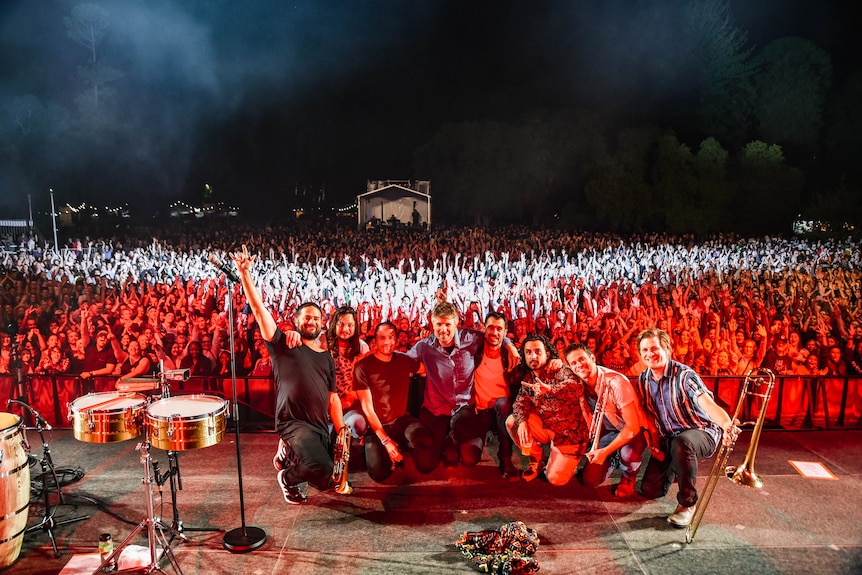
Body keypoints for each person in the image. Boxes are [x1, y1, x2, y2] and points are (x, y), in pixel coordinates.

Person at [231, 245, 345, 505]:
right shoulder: (284, 343)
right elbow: (259, 312)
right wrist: (245, 275)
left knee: (326, 479)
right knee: (322, 467)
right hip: (292, 422)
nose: (311, 321)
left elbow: (333, 397)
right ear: (296, 322)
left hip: (318, 426)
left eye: (316, 318)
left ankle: (288, 453)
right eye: (306, 318)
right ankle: (287, 478)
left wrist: (342, 432)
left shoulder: (326, 357)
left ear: (322, 323)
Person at [633, 328, 739, 527]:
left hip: (700, 432)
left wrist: (726, 424)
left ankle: (687, 504)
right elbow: (647, 415)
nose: (650, 354)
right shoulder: (643, 380)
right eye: (645, 350)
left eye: (654, 348)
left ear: (666, 349)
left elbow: (707, 404)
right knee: (650, 490)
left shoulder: (684, 375)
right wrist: (654, 443)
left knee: (682, 443)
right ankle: (678, 466)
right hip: (669, 439)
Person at [406, 302, 518, 470]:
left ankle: (451, 444)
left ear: (456, 323)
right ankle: (440, 443)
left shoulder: (470, 338)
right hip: (435, 409)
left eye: (448, 325)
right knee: (425, 465)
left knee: (469, 458)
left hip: (463, 408)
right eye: (439, 325)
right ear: (432, 324)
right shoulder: (424, 346)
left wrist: (510, 346)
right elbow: (402, 361)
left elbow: (494, 334)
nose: (443, 330)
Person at [353, 322, 435, 482]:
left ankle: (400, 449)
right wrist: (385, 441)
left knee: (425, 439)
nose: (387, 342)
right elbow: (368, 409)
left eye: (391, 337)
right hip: (377, 427)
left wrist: (429, 340)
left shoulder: (404, 360)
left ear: (396, 340)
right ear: (375, 341)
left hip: (401, 421)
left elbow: (425, 368)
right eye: (382, 338)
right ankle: (388, 451)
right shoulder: (363, 367)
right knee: (378, 473)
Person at [564, 343, 647, 497]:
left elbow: (633, 426)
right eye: (574, 363)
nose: (579, 365)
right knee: (589, 480)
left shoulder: (616, 382)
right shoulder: (578, 383)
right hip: (608, 432)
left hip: (631, 430)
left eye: (582, 359)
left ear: (592, 358)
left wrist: (604, 452)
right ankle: (615, 457)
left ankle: (629, 476)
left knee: (628, 454)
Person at [505, 335, 589, 485]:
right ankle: (537, 459)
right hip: (547, 427)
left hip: (568, 434)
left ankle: (573, 458)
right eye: (528, 352)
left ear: (547, 353)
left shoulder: (559, 369)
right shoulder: (528, 378)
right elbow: (519, 403)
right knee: (513, 422)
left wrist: (550, 389)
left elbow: (576, 387)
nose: (533, 356)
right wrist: (523, 422)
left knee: (555, 479)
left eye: (538, 351)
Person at [470, 312, 520, 479]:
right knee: (469, 459)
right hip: (481, 412)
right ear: (484, 328)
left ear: (505, 332)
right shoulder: (475, 352)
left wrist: (510, 345)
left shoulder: (510, 356)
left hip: (503, 411)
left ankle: (505, 458)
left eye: (499, 329)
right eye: (490, 327)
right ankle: (486, 435)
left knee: (503, 404)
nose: (494, 332)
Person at [326, 306, 370, 440]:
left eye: (350, 325)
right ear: (334, 325)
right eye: (341, 324)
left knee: (357, 425)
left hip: (350, 406)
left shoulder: (362, 347)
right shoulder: (323, 345)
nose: (345, 329)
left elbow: (365, 382)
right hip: (325, 406)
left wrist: (350, 397)